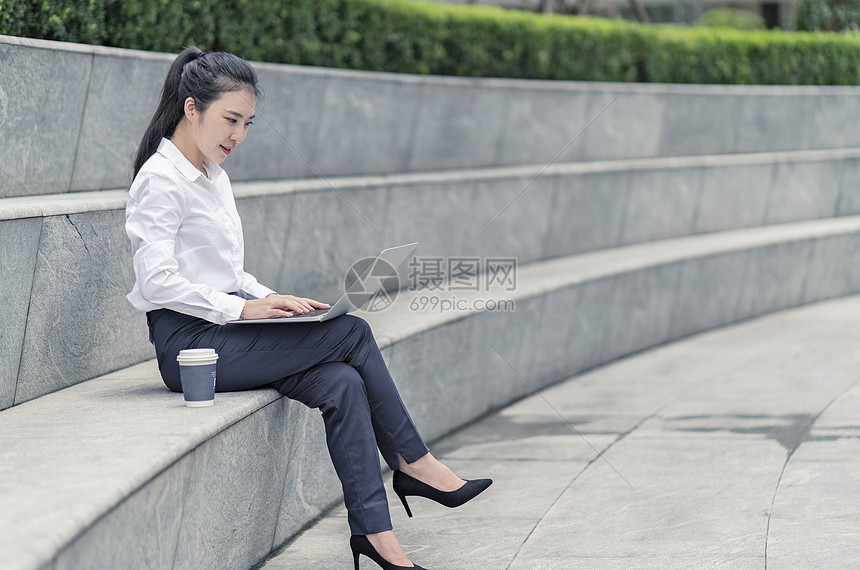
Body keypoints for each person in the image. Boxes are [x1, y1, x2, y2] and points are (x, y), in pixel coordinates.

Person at [124, 47, 491, 570]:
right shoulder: (160, 180)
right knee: (353, 333)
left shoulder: (212, 176)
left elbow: (227, 273)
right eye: (231, 120)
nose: (238, 135)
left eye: (248, 123)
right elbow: (156, 282)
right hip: (190, 347)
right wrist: (243, 310)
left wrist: (267, 297)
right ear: (191, 109)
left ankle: (377, 539)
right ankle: (415, 462)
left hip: (226, 330)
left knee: (343, 383)